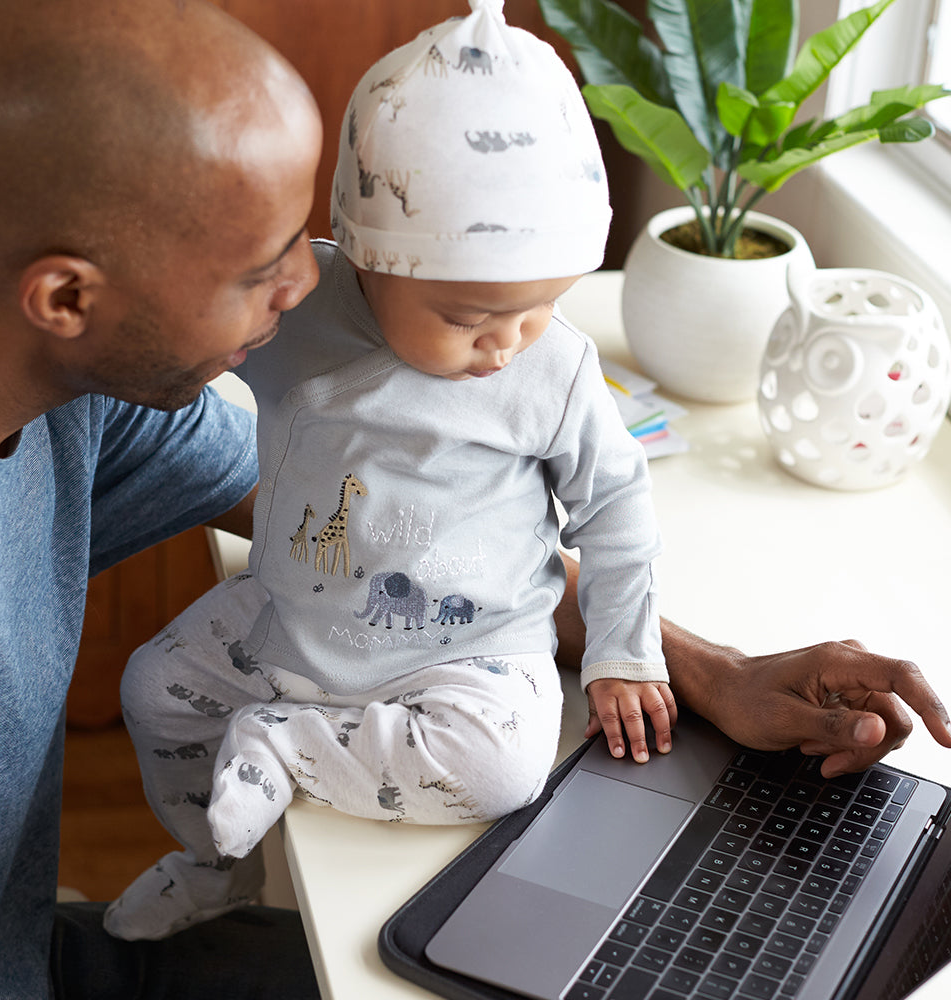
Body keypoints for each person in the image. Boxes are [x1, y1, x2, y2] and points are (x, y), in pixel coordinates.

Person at [0, 0, 951, 996]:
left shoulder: (6, 362)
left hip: (10, 952)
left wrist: (683, 668)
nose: (312, 295)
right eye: (264, 271)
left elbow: (385, 537)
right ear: (70, 294)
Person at [103, 0, 677, 943]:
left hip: (473, 650)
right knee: (153, 689)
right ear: (367, 256)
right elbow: (185, 325)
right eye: (468, 317)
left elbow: (616, 506)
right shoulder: (302, 308)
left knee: (505, 772)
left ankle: (290, 748)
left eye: (537, 310)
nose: (507, 345)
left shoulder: (553, 368)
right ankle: (214, 867)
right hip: (290, 617)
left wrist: (622, 652)